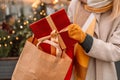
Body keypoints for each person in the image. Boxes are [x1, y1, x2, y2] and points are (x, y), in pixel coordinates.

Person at [67, 0, 120, 80]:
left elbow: (117, 50)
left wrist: (86, 41)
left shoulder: (117, 9)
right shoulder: (76, 4)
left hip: (101, 73)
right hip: (73, 69)